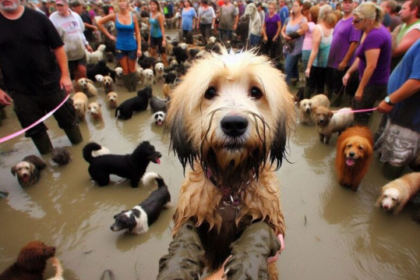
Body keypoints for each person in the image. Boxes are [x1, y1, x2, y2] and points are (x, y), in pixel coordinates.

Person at [0, 0, 82, 154]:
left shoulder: (39, 18)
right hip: (20, 90)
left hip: (52, 83)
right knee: (34, 129)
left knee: (69, 119)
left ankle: (80, 153)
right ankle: (47, 159)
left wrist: (65, 75)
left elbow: (58, 47)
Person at [375, 39, 420, 178]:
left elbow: (417, 82)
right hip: (401, 112)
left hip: (410, 117)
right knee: (389, 152)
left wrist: (390, 100)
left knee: (397, 157)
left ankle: (387, 184)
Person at [342, 2, 392, 126]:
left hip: (373, 83)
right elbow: (361, 58)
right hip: (373, 82)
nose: (353, 24)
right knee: (358, 111)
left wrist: (360, 89)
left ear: (369, 20)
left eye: (356, 21)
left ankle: (359, 139)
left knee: (360, 117)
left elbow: (371, 66)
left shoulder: (375, 36)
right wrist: (349, 72)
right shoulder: (373, 31)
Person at [97, 0, 142, 92]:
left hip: (132, 46)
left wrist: (139, 48)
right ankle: (129, 90)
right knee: (125, 70)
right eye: (120, 1)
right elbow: (99, 23)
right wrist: (109, 35)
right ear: (118, 3)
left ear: (127, 3)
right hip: (120, 46)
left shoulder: (133, 16)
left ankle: (134, 90)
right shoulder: (114, 16)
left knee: (132, 70)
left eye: (124, 1)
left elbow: (138, 33)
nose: (122, 3)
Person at [326, 0, 361, 106]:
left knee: (338, 89)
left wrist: (345, 60)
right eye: (345, 2)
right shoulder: (340, 21)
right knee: (330, 86)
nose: (346, 4)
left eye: (349, 2)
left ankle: (336, 109)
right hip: (333, 61)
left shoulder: (353, 22)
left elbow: (354, 43)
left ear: (354, 4)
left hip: (342, 62)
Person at [50, 0, 93, 82]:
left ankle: (86, 89)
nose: (59, 8)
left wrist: (87, 44)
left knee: (82, 70)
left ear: (67, 5)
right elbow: (51, 36)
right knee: (75, 73)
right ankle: (78, 92)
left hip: (79, 49)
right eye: (57, 6)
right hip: (66, 52)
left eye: (61, 5)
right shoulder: (53, 18)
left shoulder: (75, 16)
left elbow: (80, 32)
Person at [305, 5, 335, 97]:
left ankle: (305, 104)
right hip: (327, 64)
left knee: (310, 86)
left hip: (316, 64)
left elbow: (314, 50)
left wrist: (308, 67)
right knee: (320, 87)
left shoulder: (318, 28)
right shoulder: (332, 28)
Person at [281, 0, 307, 86]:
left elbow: (302, 31)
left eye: (296, 6)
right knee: (293, 65)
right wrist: (284, 35)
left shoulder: (303, 19)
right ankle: (295, 81)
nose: (294, 8)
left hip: (296, 47)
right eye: (293, 6)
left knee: (287, 67)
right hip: (287, 46)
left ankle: (287, 86)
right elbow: (283, 29)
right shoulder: (289, 19)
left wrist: (291, 36)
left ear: (301, 7)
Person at [391, 0, 420, 70]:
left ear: (414, 10)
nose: (399, 12)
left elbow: (395, 52)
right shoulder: (403, 25)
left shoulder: (417, 28)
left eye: (403, 9)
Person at [148, 0, 168, 66]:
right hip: (152, 36)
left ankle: (166, 66)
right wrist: (149, 38)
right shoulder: (150, 14)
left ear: (157, 6)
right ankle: (156, 65)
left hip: (159, 36)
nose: (152, 6)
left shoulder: (159, 15)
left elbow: (162, 27)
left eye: (154, 4)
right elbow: (151, 27)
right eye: (151, 5)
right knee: (153, 52)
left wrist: (164, 40)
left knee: (163, 53)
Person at [301, 5, 318, 79]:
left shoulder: (310, 24)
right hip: (314, 49)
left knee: (307, 71)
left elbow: (301, 30)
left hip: (307, 49)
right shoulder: (319, 26)